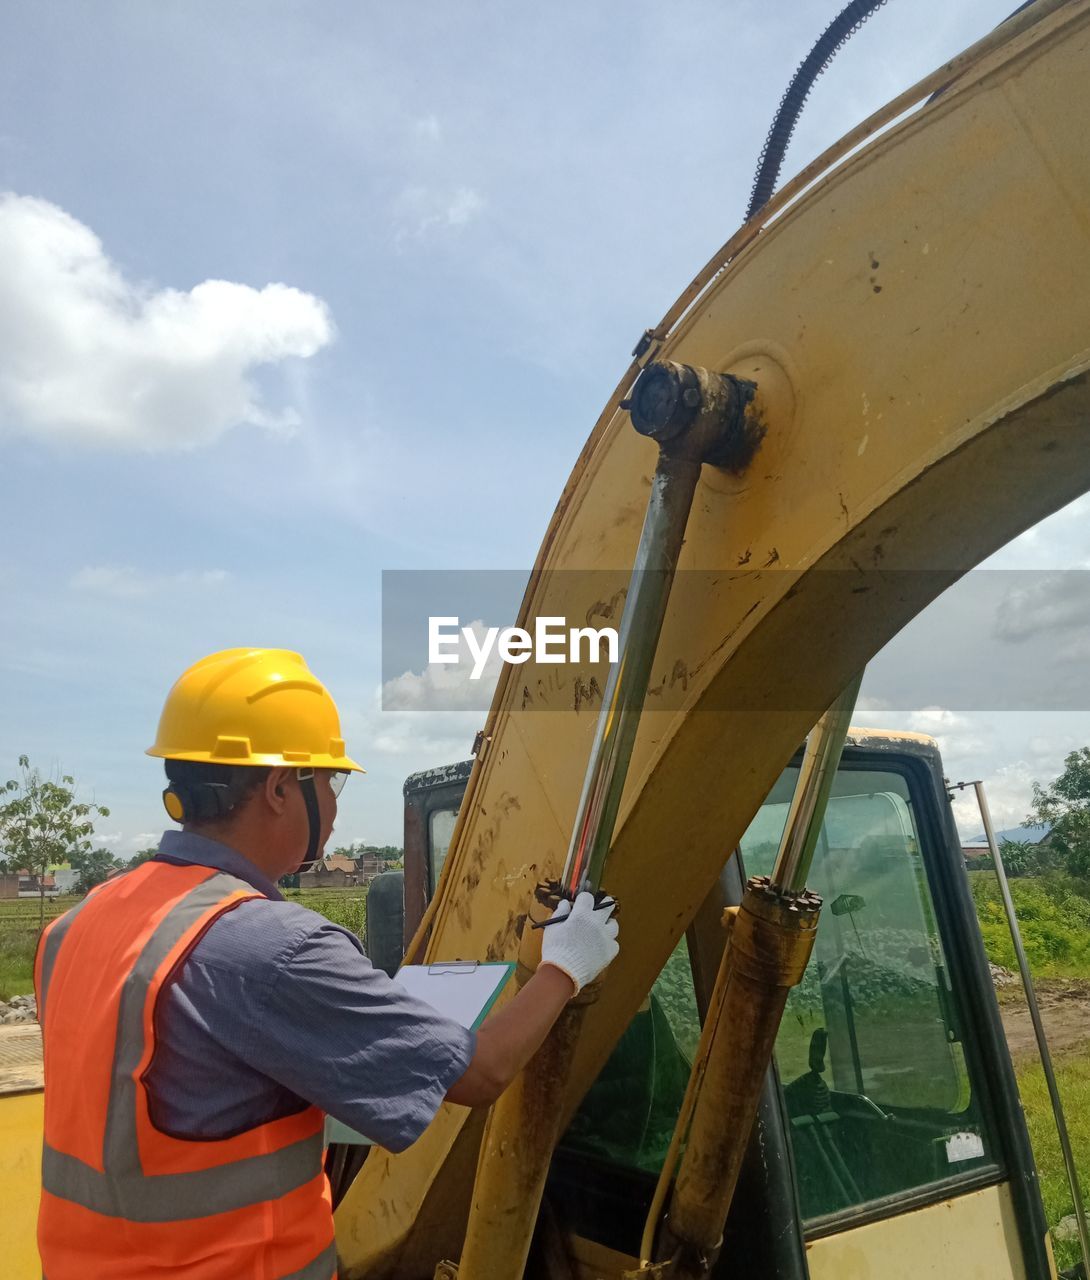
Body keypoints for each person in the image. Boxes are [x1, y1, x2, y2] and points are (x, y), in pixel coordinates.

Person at [34, 647, 620, 1279]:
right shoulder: (273, 949)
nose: (336, 805)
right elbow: (480, 1074)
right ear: (281, 788)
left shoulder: (76, 925)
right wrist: (566, 964)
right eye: (331, 781)